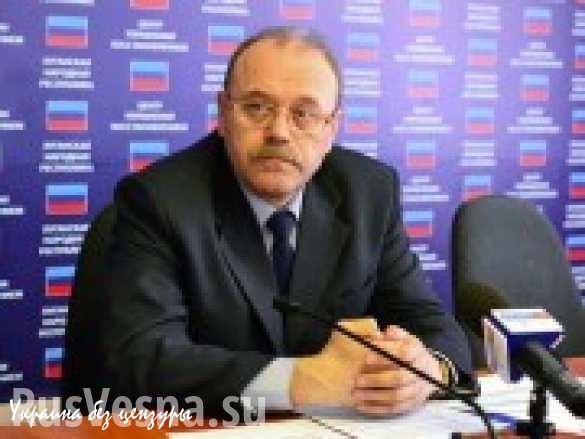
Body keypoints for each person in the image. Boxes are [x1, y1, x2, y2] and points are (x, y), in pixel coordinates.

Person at [100, 26, 473, 417]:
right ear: (223, 114)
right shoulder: (160, 200)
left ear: (331, 128)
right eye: (257, 107)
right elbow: (142, 357)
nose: (279, 132)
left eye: (304, 114)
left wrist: (427, 371)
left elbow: (432, 324)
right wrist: (300, 380)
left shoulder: (369, 192)